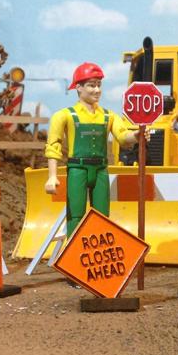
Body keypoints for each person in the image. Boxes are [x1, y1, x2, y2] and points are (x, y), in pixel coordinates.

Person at [44, 62, 138, 236]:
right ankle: (73, 254)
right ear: (78, 87)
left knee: (103, 216)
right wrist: (52, 176)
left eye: (99, 85)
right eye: (91, 85)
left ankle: (100, 255)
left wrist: (137, 135)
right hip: (77, 169)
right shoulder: (64, 115)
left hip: (101, 169)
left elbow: (123, 136)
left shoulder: (109, 116)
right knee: (75, 216)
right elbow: (53, 146)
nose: (97, 90)